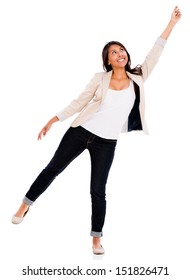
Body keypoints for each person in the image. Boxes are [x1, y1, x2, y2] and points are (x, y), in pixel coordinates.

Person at [12, 6, 181, 255]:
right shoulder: (99, 79)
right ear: (108, 60)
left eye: (121, 49)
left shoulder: (138, 77)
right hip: (80, 131)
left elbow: (156, 51)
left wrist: (171, 23)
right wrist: (54, 119)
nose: (119, 53)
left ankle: (96, 238)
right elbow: (80, 101)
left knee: (98, 191)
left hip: (107, 142)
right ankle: (24, 206)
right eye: (114, 52)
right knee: (52, 169)